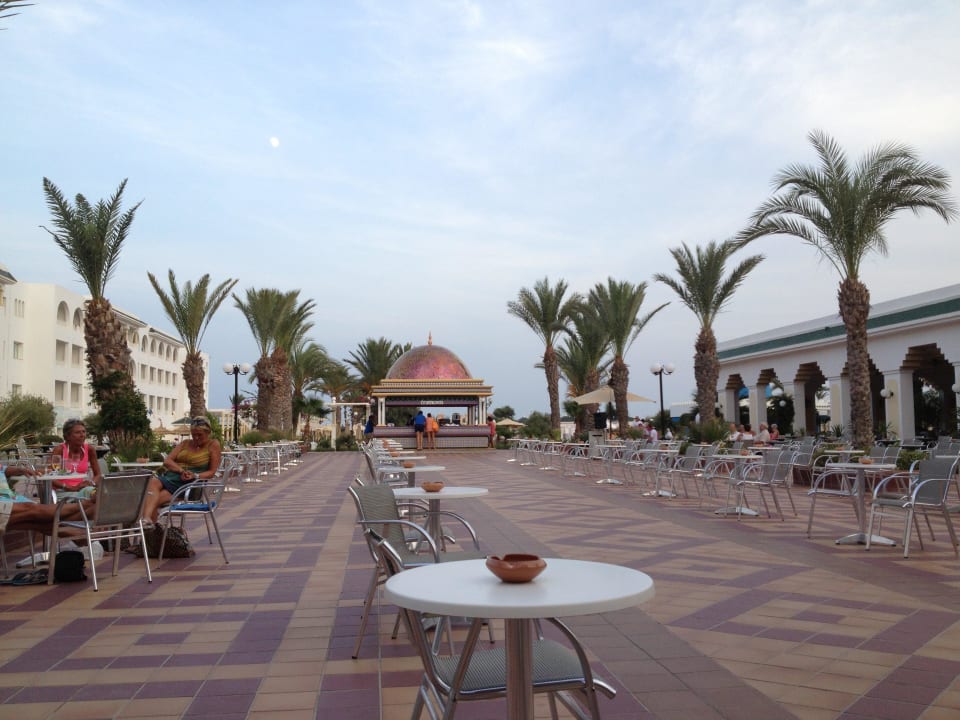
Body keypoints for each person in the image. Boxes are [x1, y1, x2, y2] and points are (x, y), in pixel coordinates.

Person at [140, 416, 221, 526]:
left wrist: (195, 475)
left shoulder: (213, 445)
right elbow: (167, 461)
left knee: (151, 501)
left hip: (189, 486)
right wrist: (181, 471)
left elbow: (212, 472)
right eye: (194, 434)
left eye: (200, 435)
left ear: (208, 432)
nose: (196, 437)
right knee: (153, 483)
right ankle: (147, 521)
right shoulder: (185, 443)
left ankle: (152, 530)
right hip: (172, 478)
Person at [0, 463, 91, 535]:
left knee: (39, 520)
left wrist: (20, 470)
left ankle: (80, 534)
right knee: (34, 510)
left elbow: (3, 469)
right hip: (3, 502)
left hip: (11, 498)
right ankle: (84, 507)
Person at [50, 418, 101, 494]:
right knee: (95, 495)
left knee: (99, 493)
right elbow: (49, 477)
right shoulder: (60, 450)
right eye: (77, 432)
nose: (82, 435)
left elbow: (98, 474)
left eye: (83, 432)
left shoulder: (89, 449)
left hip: (82, 490)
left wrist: (91, 483)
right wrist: (70, 488)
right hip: (62, 490)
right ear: (67, 436)